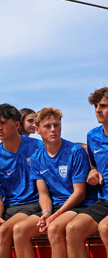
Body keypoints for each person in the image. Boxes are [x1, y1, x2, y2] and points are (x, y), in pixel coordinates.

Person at [13, 107, 96, 258]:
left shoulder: (75, 151)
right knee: (19, 229)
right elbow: (43, 194)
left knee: (54, 227)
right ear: (37, 130)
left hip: (79, 205)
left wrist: (55, 215)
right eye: (47, 126)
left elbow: (80, 193)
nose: (53, 130)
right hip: (55, 207)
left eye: (56, 125)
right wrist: (46, 213)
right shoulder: (37, 157)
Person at [0, 104, 41, 258]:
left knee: (4, 231)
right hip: (7, 207)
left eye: (3, 123)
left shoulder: (37, 146)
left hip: (32, 204)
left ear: (17, 125)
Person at [66, 87, 108, 257]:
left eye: (104, 106)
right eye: (96, 106)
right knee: (72, 229)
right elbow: (94, 164)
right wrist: (92, 170)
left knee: (105, 229)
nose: (98, 110)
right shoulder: (92, 136)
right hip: (104, 200)